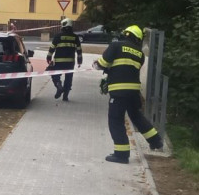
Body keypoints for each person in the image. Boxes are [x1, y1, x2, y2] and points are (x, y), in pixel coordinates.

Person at [95, 25, 163, 163]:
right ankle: (156, 141)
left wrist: (96, 65)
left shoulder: (116, 46)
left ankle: (121, 154)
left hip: (119, 91)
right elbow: (127, 68)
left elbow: (103, 63)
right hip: (133, 92)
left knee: (115, 120)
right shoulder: (140, 54)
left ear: (126, 34)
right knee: (136, 116)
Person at [47, 17, 83, 101]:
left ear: (63, 25)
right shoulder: (75, 37)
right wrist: (79, 61)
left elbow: (52, 48)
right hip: (70, 62)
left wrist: (48, 57)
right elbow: (79, 50)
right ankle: (65, 96)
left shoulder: (58, 36)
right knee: (68, 78)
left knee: (55, 75)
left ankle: (59, 86)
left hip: (59, 61)